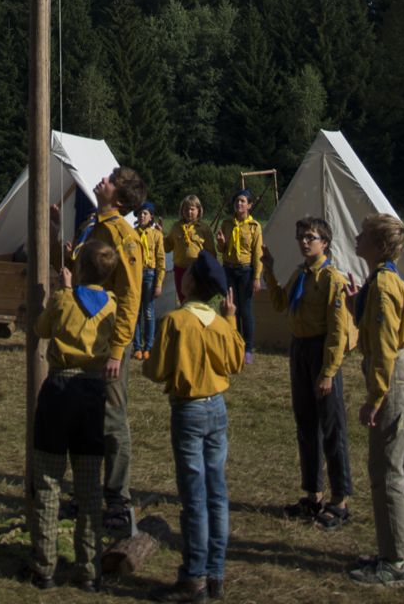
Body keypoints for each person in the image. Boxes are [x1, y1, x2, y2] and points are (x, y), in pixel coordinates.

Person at [143, 249, 245, 602]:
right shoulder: (220, 323)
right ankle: (215, 574)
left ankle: (194, 579)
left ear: (188, 282)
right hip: (217, 407)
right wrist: (230, 320)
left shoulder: (174, 322)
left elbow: (155, 371)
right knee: (217, 493)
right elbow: (236, 362)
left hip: (188, 410)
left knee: (194, 498)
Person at [51, 164, 147, 530]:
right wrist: (56, 235)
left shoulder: (125, 237)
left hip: (107, 342)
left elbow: (131, 296)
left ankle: (117, 500)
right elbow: (78, 270)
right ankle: (84, 492)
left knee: (112, 420)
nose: (103, 181)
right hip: (81, 339)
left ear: (119, 199)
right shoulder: (90, 225)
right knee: (84, 417)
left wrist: (119, 350)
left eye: (111, 181)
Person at [28, 239, 120, 592]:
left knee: (49, 480)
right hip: (92, 393)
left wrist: (63, 292)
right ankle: (89, 572)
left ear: (78, 268)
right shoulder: (112, 304)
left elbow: (41, 329)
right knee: (89, 486)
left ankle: (44, 568)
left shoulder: (63, 299)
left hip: (59, 389)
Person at [344, 214, 404, 588]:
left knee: (385, 470)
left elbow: (383, 348)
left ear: (379, 246)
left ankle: (395, 562)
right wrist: (355, 308)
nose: (356, 237)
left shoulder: (381, 285)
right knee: (402, 466)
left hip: (389, 378)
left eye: (364, 234)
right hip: (396, 372)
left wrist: (375, 398)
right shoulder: (384, 280)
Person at [261, 215, 353, 529]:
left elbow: (338, 332)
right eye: (300, 236)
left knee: (331, 427)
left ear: (324, 243)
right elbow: (280, 304)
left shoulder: (331, 279)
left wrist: (328, 372)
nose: (303, 242)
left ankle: (339, 500)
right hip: (299, 350)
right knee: (306, 423)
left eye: (310, 237)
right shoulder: (299, 274)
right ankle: (314, 494)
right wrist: (269, 270)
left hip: (320, 352)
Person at [215, 188, 262, 365]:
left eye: (243, 201)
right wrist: (221, 244)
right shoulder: (226, 223)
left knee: (246, 311)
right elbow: (222, 249)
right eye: (237, 201)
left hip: (245, 271)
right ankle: (234, 344)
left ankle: (247, 349)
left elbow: (257, 254)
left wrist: (256, 277)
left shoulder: (254, 227)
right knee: (232, 309)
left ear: (249, 206)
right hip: (229, 270)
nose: (239, 204)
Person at [165, 195, 216, 304]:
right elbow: (167, 248)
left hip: (197, 271)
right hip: (180, 270)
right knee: (183, 300)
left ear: (198, 211)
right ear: (182, 210)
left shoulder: (204, 228)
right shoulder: (176, 227)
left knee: (198, 300)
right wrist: (159, 235)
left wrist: (210, 271)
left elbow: (211, 252)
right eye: (186, 209)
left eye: (192, 209)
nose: (189, 212)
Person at [132, 201, 165, 360]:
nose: (142, 216)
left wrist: (159, 283)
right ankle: (137, 347)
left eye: (145, 213)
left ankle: (149, 346)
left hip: (150, 274)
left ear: (151, 217)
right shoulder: (133, 234)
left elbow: (161, 261)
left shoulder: (156, 235)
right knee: (136, 312)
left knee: (149, 311)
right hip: (136, 274)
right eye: (140, 213)